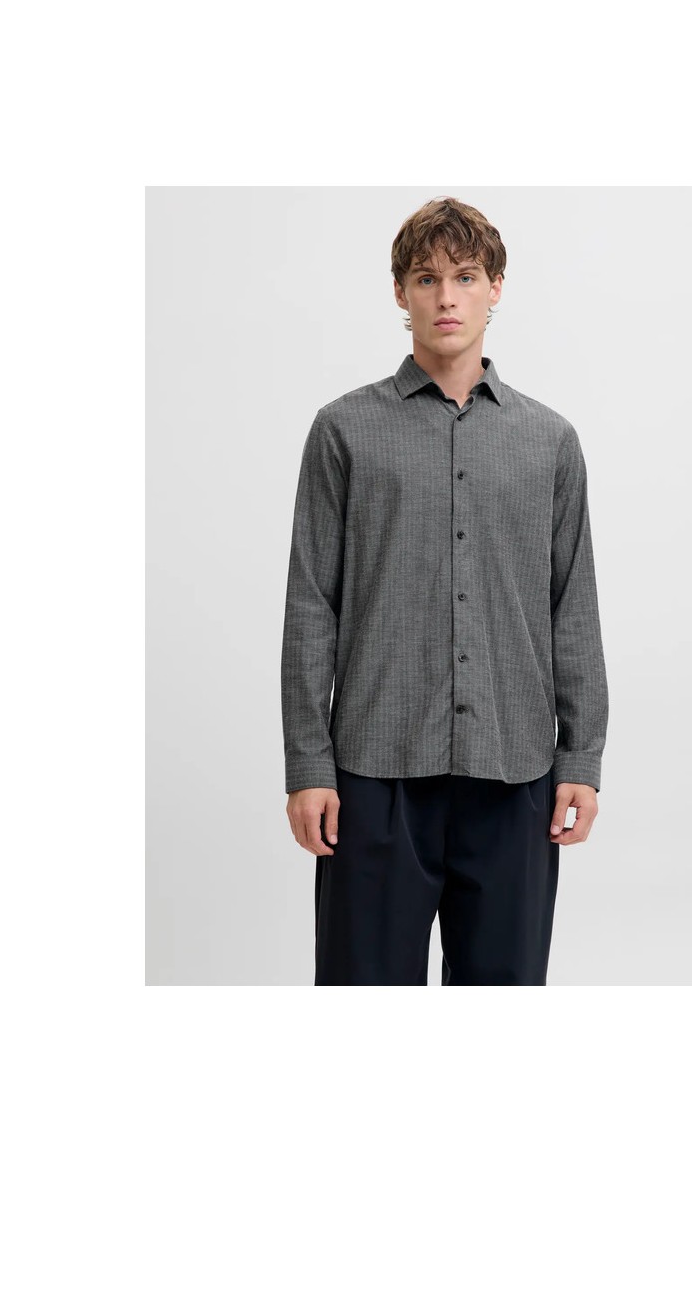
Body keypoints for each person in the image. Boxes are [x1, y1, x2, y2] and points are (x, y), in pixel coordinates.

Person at [281, 196, 609, 985]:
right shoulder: (344, 431)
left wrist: (582, 755)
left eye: (465, 276)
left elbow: (573, 605)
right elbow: (310, 606)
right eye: (427, 279)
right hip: (374, 775)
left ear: (496, 287)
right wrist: (309, 766)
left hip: (514, 775)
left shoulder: (550, 442)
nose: (447, 297)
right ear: (401, 292)